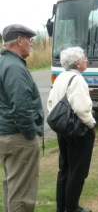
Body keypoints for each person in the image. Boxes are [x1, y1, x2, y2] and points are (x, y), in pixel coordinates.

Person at [0, 24, 44, 211]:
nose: (31, 43)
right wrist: (31, 133)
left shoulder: (4, 62)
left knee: (12, 188)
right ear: (19, 40)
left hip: (9, 136)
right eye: (29, 39)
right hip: (19, 138)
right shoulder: (14, 67)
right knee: (22, 196)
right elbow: (21, 106)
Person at [47, 47, 96, 212]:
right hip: (78, 130)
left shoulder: (62, 76)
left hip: (63, 129)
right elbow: (81, 108)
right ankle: (72, 207)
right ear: (77, 63)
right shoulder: (77, 79)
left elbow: (51, 102)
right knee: (78, 171)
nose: (86, 60)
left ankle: (62, 207)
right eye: (84, 58)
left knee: (65, 169)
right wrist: (91, 124)